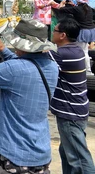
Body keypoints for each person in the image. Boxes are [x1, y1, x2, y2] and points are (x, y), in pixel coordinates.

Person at [0, 19, 58, 174]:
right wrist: (3, 50)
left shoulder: (14, 70)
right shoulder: (52, 67)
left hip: (14, 154)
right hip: (41, 151)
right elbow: (27, 65)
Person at [49, 18, 95, 173]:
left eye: (55, 30)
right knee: (68, 153)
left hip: (70, 113)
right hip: (77, 110)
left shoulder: (63, 53)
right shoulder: (76, 50)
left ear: (62, 35)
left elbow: (35, 52)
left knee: (79, 158)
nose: (52, 32)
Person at [56, 0, 95, 72]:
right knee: (85, 50)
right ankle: (87, 68)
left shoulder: (77, 9)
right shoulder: (89, 8)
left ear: (78, 0)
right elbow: (78, 10)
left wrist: (62, 3)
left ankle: (86, 69)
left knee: (81, 50)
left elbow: (61, 9)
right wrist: (73, 5)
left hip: (83, 31)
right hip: (90, 31)